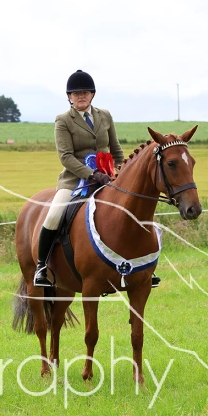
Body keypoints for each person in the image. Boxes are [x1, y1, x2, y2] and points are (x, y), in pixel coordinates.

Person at [33, 70, 160, 288]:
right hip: (74, 181)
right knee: (54, 215)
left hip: (108, 179)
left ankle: (144, 267)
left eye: (85, 92)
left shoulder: (105, 116)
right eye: (76, 93)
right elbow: (66, 157)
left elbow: (116, 150)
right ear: (69, 97)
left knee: (134, 212)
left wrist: (119, 173)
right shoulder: (63, 120)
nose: (81, 96)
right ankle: (41, 266)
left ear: (92, 94)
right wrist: (91, 174)